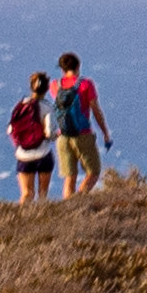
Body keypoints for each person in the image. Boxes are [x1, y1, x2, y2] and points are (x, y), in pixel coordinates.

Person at [51, 52, 112, 194]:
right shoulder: (86, 84)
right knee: (93, 172)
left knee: (69, 177)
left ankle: (68, 208)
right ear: (78, 66)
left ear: (62, 69)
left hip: (62, 136)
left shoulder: (55, 85)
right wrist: (105, 133)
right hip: (83, 134)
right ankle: (79, 199)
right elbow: (96, 111)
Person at [6, 72, 56, 201]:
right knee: (42, 195)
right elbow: (50, 133)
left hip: (24, 155)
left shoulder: (21, 106)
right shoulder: (47, 107)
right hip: (43, 154)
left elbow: (11, 129)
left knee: (27, 194)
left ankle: (21, 220)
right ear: (46, 89)